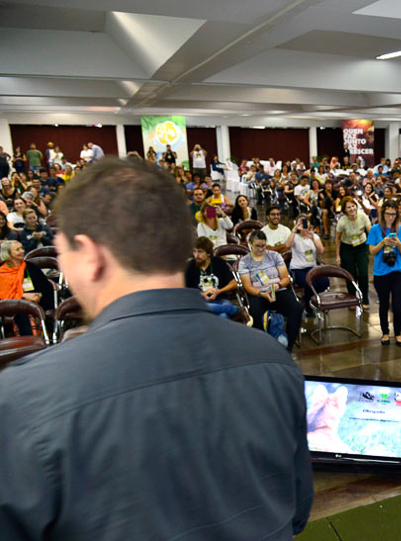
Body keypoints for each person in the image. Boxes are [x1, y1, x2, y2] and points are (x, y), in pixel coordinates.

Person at [0, 158, 313, 538]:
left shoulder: (24, 399)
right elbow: (295, 511)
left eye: (63, 253)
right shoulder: (273, 360)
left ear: (90, 255)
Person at [239, 230, 303, 352]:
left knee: (296, 309)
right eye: (257, 246)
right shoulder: (245, 261)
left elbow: (285, 278)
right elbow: (247, 286)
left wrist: (277, 285)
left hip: (277, 290)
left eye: (263, 245)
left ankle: (289, 345)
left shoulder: (274, 256)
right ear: (250, 244)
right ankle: (264, 345)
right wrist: (262, 293)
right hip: (258, 293)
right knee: (255, 313)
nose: (261, 249)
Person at [368, 200, 401, 347]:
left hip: (398, 272)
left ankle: (398, 333)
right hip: (381, 273)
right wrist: (383, 242)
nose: (391, 217)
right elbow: (372, 251)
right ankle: (385, 332)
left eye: (393, 214)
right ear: (383, 214)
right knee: (383, 304)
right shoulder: (375, 229)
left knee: (397, 306)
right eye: (388, 214)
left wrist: (398, 244)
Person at [0, 239, 53, 335]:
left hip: (36, 302)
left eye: (22, 248)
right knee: (23, 313)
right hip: (9, 306)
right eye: (17, 249)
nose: (22, 251)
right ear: (8, 253)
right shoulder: (2, 271)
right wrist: (23, 296)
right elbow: (3, 295)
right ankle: (30, 342)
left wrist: (39, 295)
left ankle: (42, 339)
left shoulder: (30, 267)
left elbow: (45, 287)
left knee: (31, 310)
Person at [184, 236, 241, 320]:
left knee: (224, 316)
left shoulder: (218, 262)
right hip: (200, 301)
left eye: (200, 252)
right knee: (206, 308)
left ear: (208, 253)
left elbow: (234, 284)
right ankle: (236, 310)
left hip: (220, 300)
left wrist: (219, 291)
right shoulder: (190, 266)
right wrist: (202, 294)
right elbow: (186, 290)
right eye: (194, 252)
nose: (196, 255)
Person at [285, 216, 329, 317]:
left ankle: (307, 299)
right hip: (298, 269)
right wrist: (294, 229)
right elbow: (287, 245)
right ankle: (309, 308)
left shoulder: (314, 236)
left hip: (312, 267)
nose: (303, 224)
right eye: (300, 222)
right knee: (311, 284)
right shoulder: (294, 236)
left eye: (305, 222)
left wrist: (313, 237)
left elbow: (321, 250)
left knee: (324, 282)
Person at [335, 196, 371, 310]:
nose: (351, 209)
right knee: (351, 275)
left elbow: (370, 230)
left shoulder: (363, 216)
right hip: (347, 248)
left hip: (362, 246)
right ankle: (352, 299)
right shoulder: (342, 222)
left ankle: (365, 299)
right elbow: (337, 239)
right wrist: (337, 255)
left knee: (363, 273)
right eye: (348, 207)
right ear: (345, 210)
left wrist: (374, 245)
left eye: (353, 206)